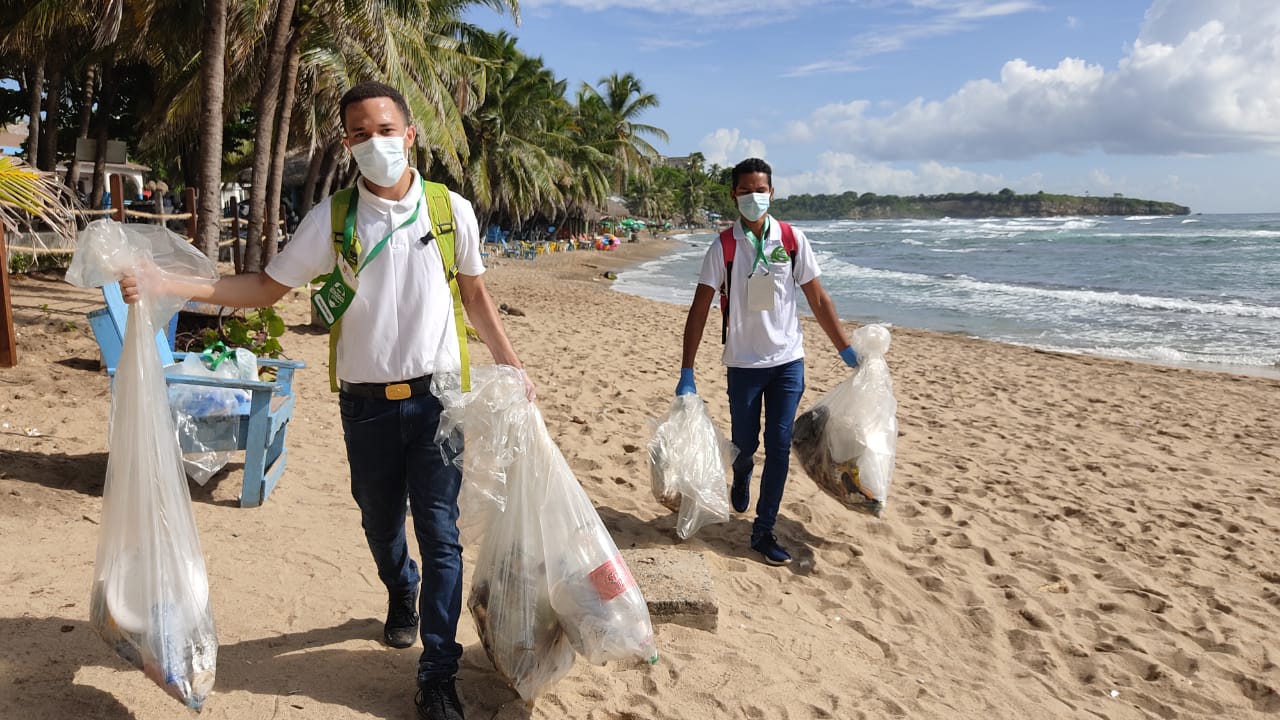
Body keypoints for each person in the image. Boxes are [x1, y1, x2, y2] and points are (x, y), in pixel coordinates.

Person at [121, 81, 531, 720]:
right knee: (377, 521)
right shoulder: (333, 219)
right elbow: (261, 288)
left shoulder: (451, 212)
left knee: (442, 535)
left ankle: (438, 673)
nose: (376, 143)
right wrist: (162, 280)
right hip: (365, 405)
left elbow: (476, 298)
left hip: (440, 403)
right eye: (360, 134)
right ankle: (401, 590)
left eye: (386, 130)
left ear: (410, 134)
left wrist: (513, 366)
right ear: (346, 144)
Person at [675, 157, 859, 567]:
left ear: (772, 193)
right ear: (733, 195)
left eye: (760, 190)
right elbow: (700, 309)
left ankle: (763, 531)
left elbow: (817, 297)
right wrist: (687, 370)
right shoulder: (723, 247)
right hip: (742, 365)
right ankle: (741, 473)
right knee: (746, 446)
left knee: (778, 445)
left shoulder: (792, 240)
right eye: (745, 191)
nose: (754, 198)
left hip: (787, 362)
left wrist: (846, 350)